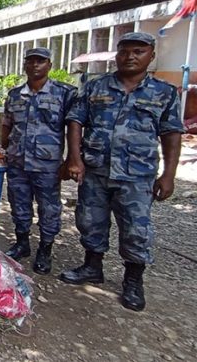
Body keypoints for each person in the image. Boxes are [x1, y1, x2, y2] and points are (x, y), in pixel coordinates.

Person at [60, 32, 183, 312]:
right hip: (96, 170)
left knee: (135, 229)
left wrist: (168, 175)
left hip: (137, 175)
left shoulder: (163, 92)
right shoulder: (95, 87)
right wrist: (74, 159)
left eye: (138, 51)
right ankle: (92, 266)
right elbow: (76, 121)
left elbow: (171, 133)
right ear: (116, 55)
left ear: (151, 56)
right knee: (90, 220)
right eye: (124, 51)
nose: (130, 56)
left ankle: (133, 280)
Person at [0, 47, 77, 275]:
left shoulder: (65, 93)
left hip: (47, 165)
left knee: (49, 208)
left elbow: (74, 127)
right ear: (25, 65)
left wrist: (71, 160)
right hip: (17, 162)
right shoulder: (15, 95)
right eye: (31, 61)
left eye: (40, 61)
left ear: (49, 65)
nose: (35, 65)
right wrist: (3, 149)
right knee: (19, 205)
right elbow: (7, 125)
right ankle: (22, 243)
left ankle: (45, 249)